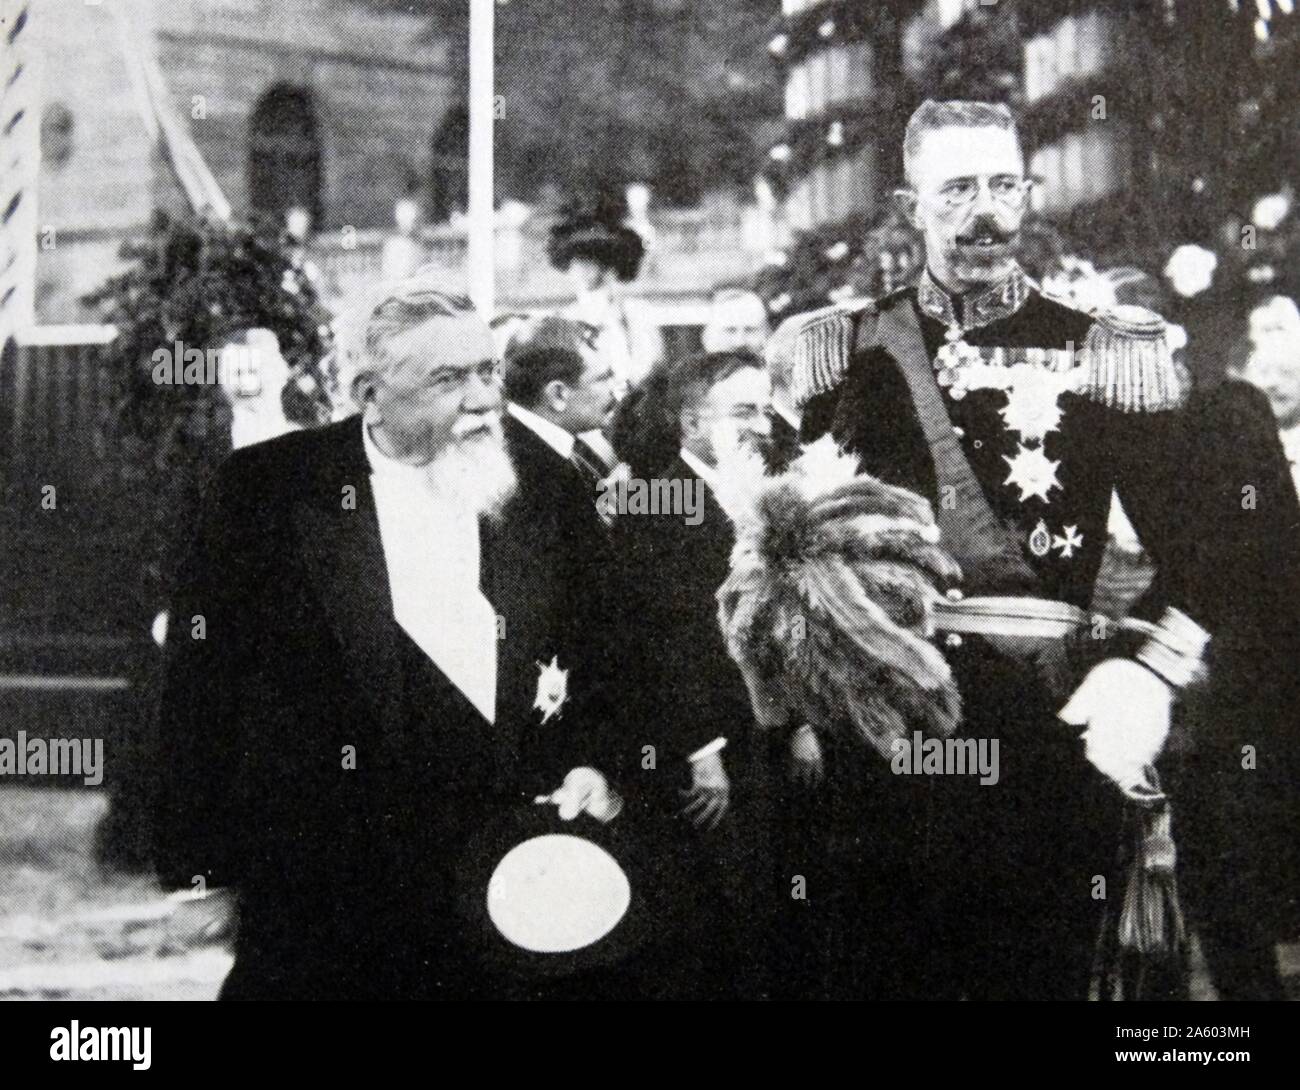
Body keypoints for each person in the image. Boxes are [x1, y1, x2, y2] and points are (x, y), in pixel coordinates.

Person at [777, 99, 1295, 1000]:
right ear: (910, 207)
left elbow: (1213, 560)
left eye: (1003, 185)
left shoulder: (1105, 350)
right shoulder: (844, 349)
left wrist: (1147, 674)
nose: (985, 210)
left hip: (1047, 728)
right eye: (958, 189)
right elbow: (801, 554)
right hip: (889, 732)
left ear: (1027, 194)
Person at [154, 276, 620, 1000]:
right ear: (370, 391)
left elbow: (604, 646)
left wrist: (594, 761)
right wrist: (199, 872)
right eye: (448, 379)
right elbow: (200, 687)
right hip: (325, 886)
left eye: (487, 372)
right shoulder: (268, 490)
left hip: (503, 883)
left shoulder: (548, 488)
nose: (483, 400)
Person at [609, 349, 774, 998]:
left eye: (765, 409)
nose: (761, 425)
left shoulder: (761, 492)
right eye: (742, 412)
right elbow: (658, 639)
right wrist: (703, 750)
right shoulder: (654, 500)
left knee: (763, 909)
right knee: (711, 915)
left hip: (765, 728)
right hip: (702, 741)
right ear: (691, 423)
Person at [502, 315, 619, 546]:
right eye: (603, 379)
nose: (615, 392)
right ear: (558, 394)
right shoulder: (525, 474)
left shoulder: (562, 447)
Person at [549, 194, 663, 393]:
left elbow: (651, 365)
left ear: (606, 264)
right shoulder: (563, 318)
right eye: (575, 262)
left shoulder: (635, 312)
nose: (581, 269)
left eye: (589, 261)